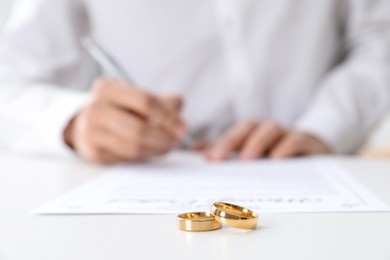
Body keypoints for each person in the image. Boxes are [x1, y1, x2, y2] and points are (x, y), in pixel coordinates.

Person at [0, 0, 389, 164]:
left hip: (320, 164)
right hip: (155, 176)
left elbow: (379, 35)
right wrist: (72, 122)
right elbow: (10, 83)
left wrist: (325, 126)